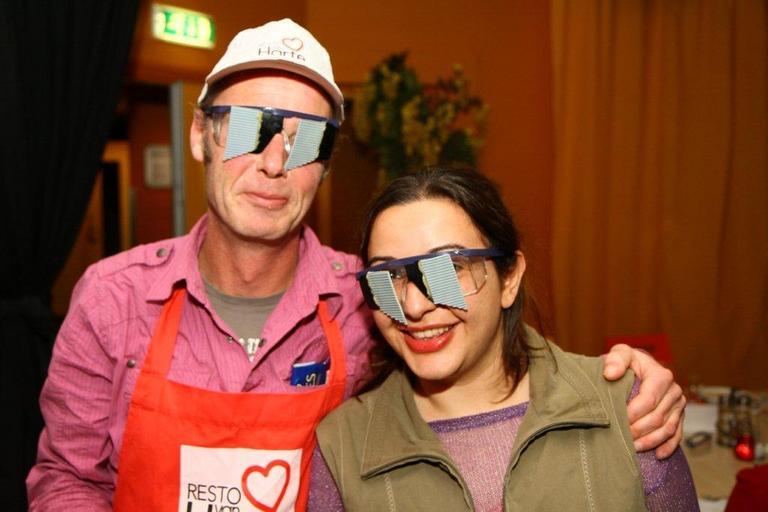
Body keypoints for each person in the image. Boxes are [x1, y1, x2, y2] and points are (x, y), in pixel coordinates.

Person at [27, 18, 684, 512]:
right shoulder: (113, 298)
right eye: (251, 128)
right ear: (202, 134)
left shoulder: (371, 297)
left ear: (325, 165)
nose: (275, 163)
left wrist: (621, 381)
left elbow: (486, 345)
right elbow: (67, 476)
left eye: (305, 140)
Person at [313, 167, 699, 511]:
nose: (412, 306)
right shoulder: (342, 447)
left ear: (509, 279)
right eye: (387, 277)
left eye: (447, 269)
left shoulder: (630, 410)